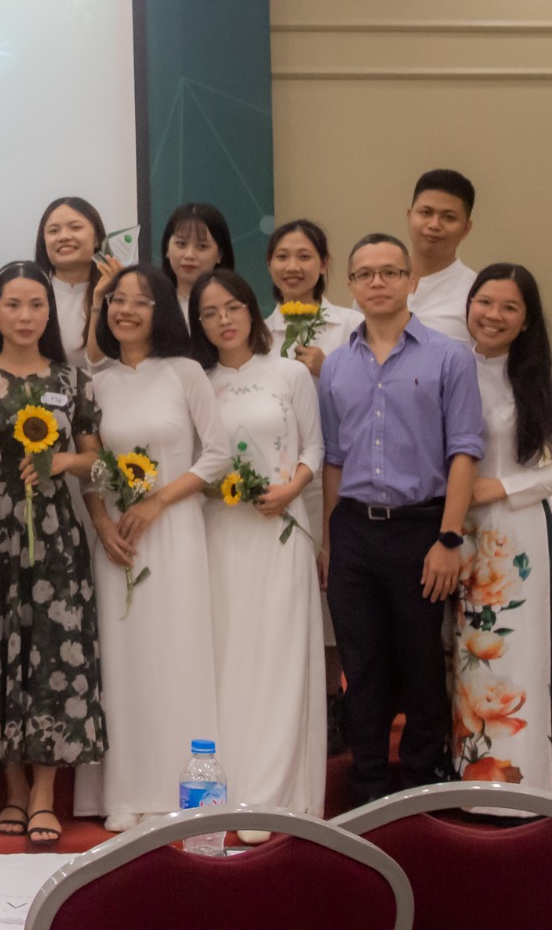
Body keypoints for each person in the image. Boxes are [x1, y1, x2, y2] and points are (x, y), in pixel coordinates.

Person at [0, 261, 105, 849]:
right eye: (13, 304)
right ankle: (12, 784)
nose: (26, 316)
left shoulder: (73, 380)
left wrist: (63, 461)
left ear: (49, 313)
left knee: (56, 653)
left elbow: (98, 460)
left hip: (55, 530)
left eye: (37, 305)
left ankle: (43, 794)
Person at [319, 233, 484, 804]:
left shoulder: (449, 357)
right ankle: (366, 786)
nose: (378, 283)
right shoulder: (336, 367)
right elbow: (333, 461)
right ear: (350, 286)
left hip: (422, 530)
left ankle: (418, 785)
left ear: (411, 280)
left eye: (390, 272)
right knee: (360, 666)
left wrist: (449, 537)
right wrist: (329, 539)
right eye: (365, 274)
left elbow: (464, 451)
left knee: (419, 662)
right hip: (355, 532)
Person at [83, 264, 227, 832]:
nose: (126, 310)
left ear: (161, 310)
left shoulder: (185, 371)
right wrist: (102, 523)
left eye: (141, 302)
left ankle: (188, 793)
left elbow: (215, 455)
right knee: (124, 659)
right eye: (117, 300)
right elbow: (91, 466)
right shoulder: (96, 380)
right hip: (117, 540)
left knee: (180, 652)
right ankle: (127, 790)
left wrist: (156, 502)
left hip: (175, 530)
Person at [190, 270, 325, 832]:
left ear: (252, 309)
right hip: (220, 533)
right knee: (226, 659)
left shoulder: (291, 373)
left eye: (233, 307)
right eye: (209, 313)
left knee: (278, 657)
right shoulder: (196, 380)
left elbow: (315, 446)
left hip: (280, 531)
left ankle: (271, 797)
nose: (223, 320)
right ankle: (222, 792)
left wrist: (292, 487)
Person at [458, 264, 552, 795]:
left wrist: (503, 488)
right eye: (484, 302)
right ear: (468, 305)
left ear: (527, 320)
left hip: (519, 539)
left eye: (509, 307)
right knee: (460, 664)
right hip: (455, 534)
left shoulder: (539, 378)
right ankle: (465, 784)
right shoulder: (447, 366)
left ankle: (524, 792)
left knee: (522, 656)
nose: (493, 315)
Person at [262, 218, 362, 380]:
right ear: (269, 264)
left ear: (323, 264)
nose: (292, 267)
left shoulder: (353, 325)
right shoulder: (261, 335)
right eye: (282, 257)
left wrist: (327, 369)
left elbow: (370, 389)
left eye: (304, 257)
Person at [34, 197, 116, 367]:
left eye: (75, 227)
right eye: (53, 231)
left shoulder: (115, 295)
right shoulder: (32, 297)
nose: (64, 236)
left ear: (96, 239)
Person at [406, 168, 478, 342]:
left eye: (449, 217)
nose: (434, 225)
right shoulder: (375, 280)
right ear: (409, 216)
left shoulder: (476, 293)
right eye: (426, 213)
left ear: (466, 229)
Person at [158, 202, 233, 314]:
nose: (189, 255)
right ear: (167, 248)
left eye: (202, 246)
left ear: (219, 255)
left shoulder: (235, 306)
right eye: (181, 244)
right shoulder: (153, 306)